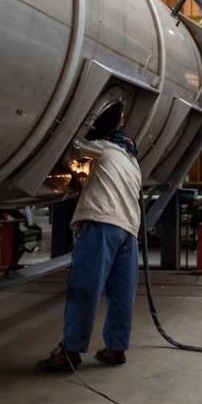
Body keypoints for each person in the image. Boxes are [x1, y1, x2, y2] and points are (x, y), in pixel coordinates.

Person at [36, 130, 142, 371]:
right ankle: (116, 348)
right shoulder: (134, 166)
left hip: (102, 220)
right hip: (129, 231)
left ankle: (69, 352)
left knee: (85, 287)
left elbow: (76, 145)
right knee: (122, 293)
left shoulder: (106, 148)